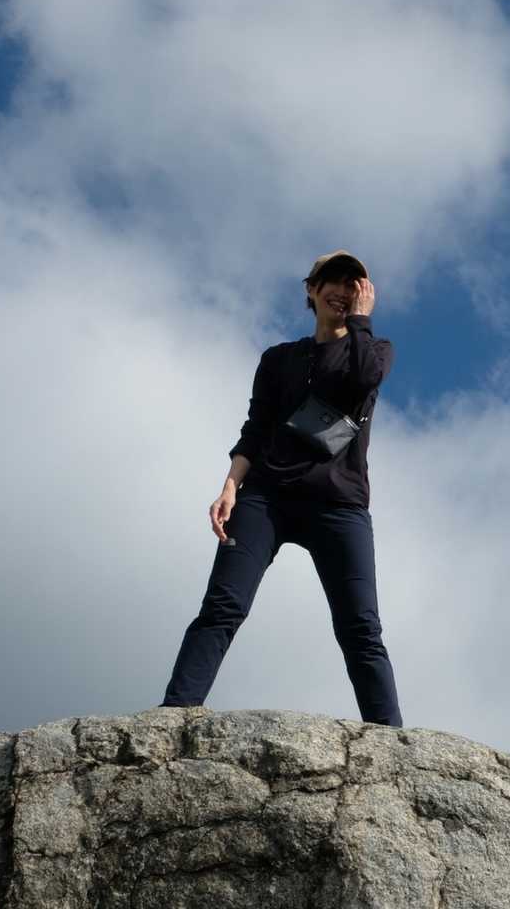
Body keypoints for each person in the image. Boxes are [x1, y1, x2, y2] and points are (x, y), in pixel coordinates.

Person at [160, 249, 403, 726]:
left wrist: (360, 321)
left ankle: (394, 743)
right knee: (223, 605)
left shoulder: (374, 349)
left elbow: (364, 379)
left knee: (360, 627)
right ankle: (173, 714)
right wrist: (229, 487)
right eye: (332, 281)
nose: (342, 291)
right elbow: (255, 428)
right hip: (266, 497)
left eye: (352, 283)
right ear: (311, 290)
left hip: (339, 504)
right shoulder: (279, 359)